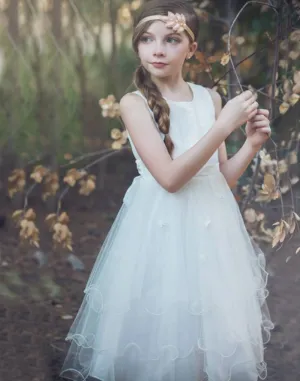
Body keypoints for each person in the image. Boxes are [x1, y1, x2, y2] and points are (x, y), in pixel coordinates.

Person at [59, 1, 274, 380]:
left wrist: (251, 145)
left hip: (212, 231)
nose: (157, 49)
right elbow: (171, 179)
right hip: (161, 230)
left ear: (191, 49)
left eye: (171, 39)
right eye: (146, 39)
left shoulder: (209, 98)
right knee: (164, 330)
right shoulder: (134, 103)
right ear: (137, 46)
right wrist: (224, 127)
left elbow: (221, 179)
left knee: (210, 330)